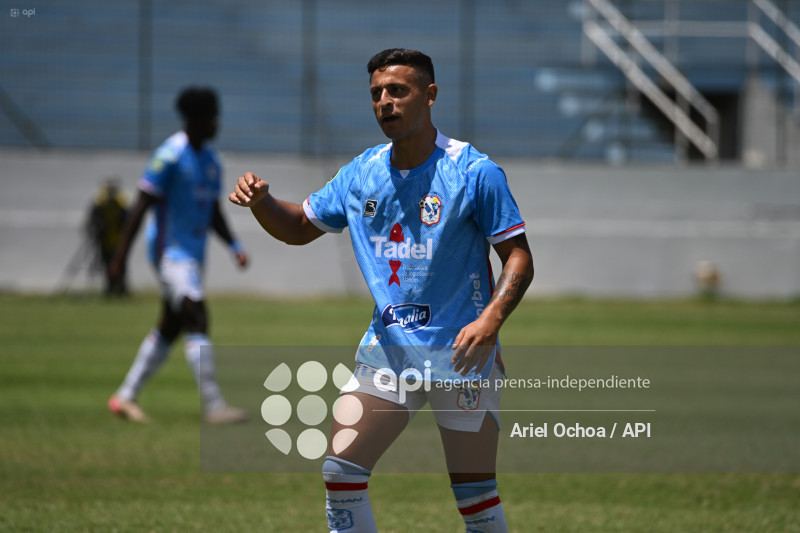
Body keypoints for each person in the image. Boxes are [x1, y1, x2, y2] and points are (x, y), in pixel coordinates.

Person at [230, 49, 533, 532]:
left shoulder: (475, 172)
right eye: (376, 94)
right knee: (341, 472)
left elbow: (518, 256)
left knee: (475, 497)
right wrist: (263, 202)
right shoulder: (361, 173)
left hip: (462, 356)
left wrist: (492, 317)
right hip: (388, 353)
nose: (385, 102)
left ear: (430, 95)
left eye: (398, 91)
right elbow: (298, 227)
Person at [108, 86, 250, 424]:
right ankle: (215, 406)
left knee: (170, 327)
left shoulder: (213, 161)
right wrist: (118, 257)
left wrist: (234, 245)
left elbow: (213, 211)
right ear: (195, 119)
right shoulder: (168, 156)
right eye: (212, 116)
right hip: (170, 254)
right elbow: (141, 205)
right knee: (197, 316)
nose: (217, 123)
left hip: (194, 255)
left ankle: (124, 397)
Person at [86, 177, 129, 296]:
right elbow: (91, 222)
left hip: (119, 241)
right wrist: (95, 232)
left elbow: (127, 222)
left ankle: (121, 289)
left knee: (121, 265)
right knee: (106, 264)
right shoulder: (100, 204)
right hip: (105, 240)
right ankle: (110, 288)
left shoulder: (121, 205)